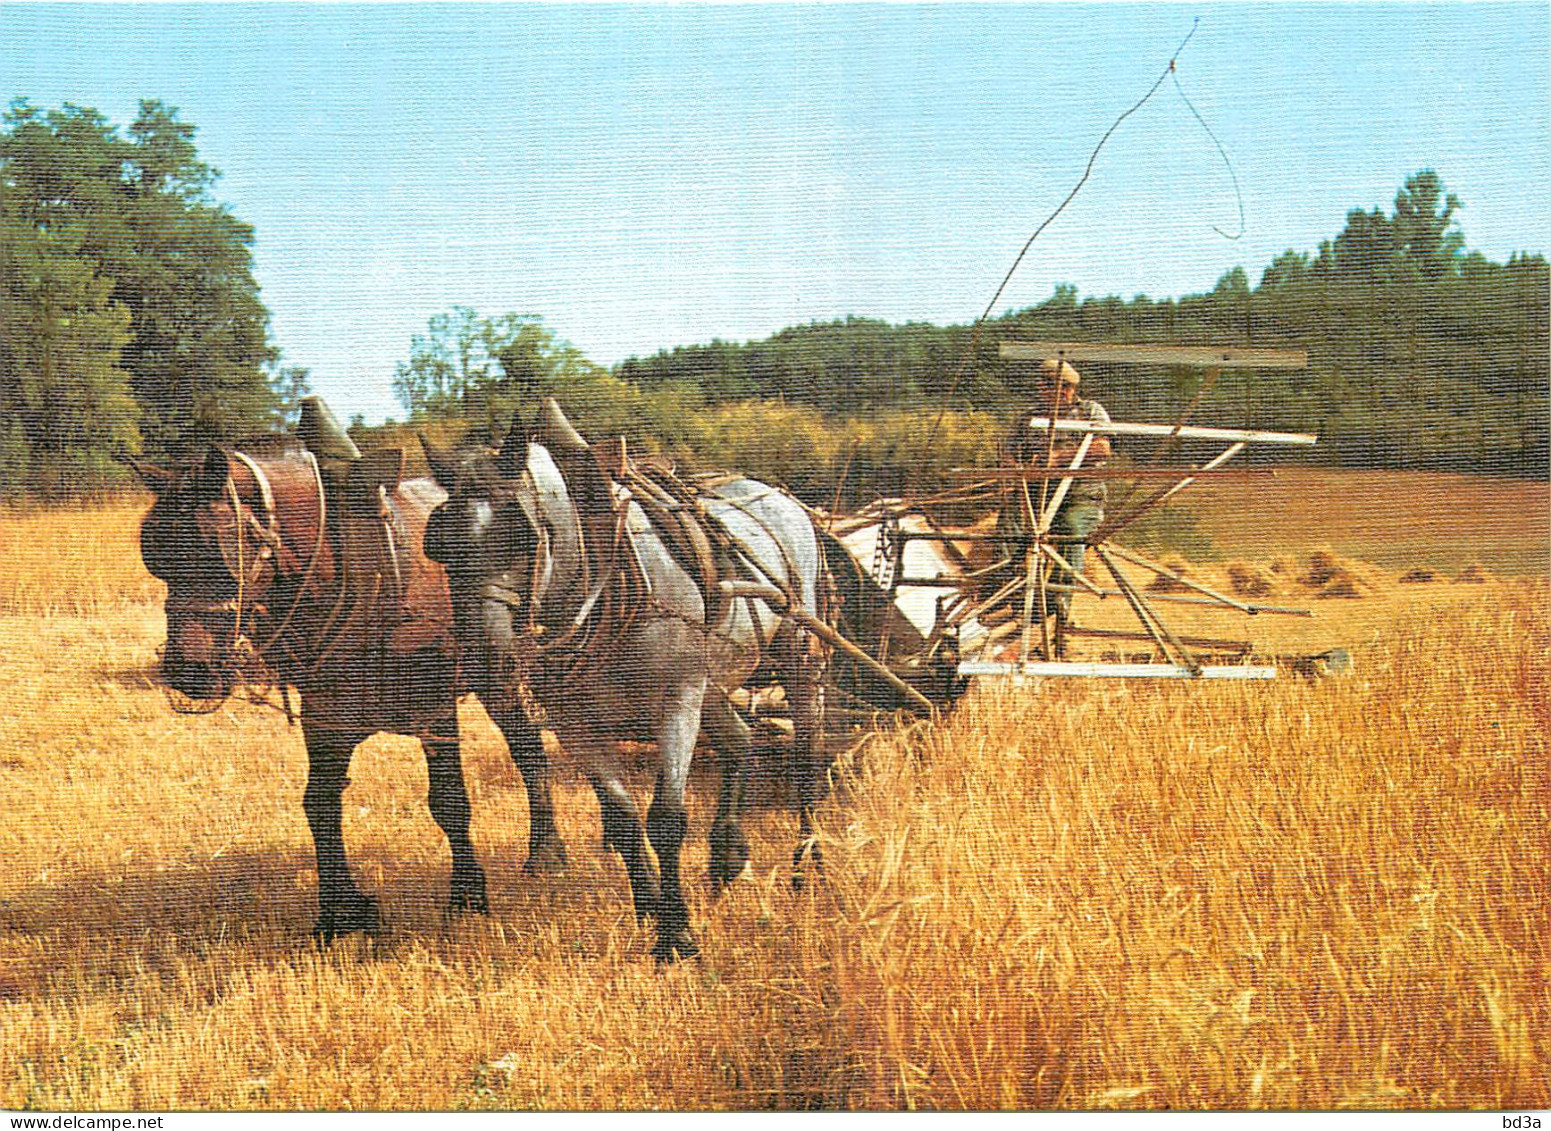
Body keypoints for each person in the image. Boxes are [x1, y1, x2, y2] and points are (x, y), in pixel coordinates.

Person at [997, 358, 1112, 624]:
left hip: (1080, 496)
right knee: (1010, 518)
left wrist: (1059, 458)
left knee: (1069, 530)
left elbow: (1102, 449)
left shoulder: (1090, 412)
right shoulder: (1030, 417)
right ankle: (1006, 585)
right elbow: (1007, 454)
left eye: (1052, 385)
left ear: (1068, 388)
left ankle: (1056, 603)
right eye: (1043, 384)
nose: (1046, 390)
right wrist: (1023, 467)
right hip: (1039, 494)